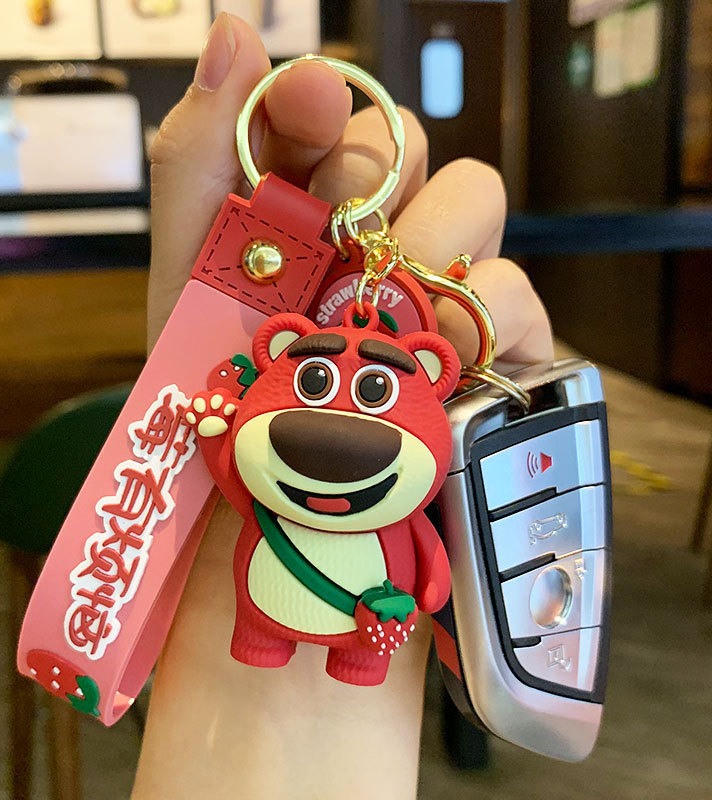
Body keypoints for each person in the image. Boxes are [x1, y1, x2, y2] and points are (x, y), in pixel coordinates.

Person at [133, 13, 553, 800]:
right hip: (260, 612)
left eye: (375, 392)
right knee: (260, 630)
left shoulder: (406, 464)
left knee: (351, 655)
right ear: (281, 352)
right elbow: (231, 474)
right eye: (316, 382)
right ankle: (265, 653)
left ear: (431, 372)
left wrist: (432, 587)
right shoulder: (260, 453)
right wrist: (213, 417)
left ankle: (350, 672)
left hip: (365, 628)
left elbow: (425, 561)